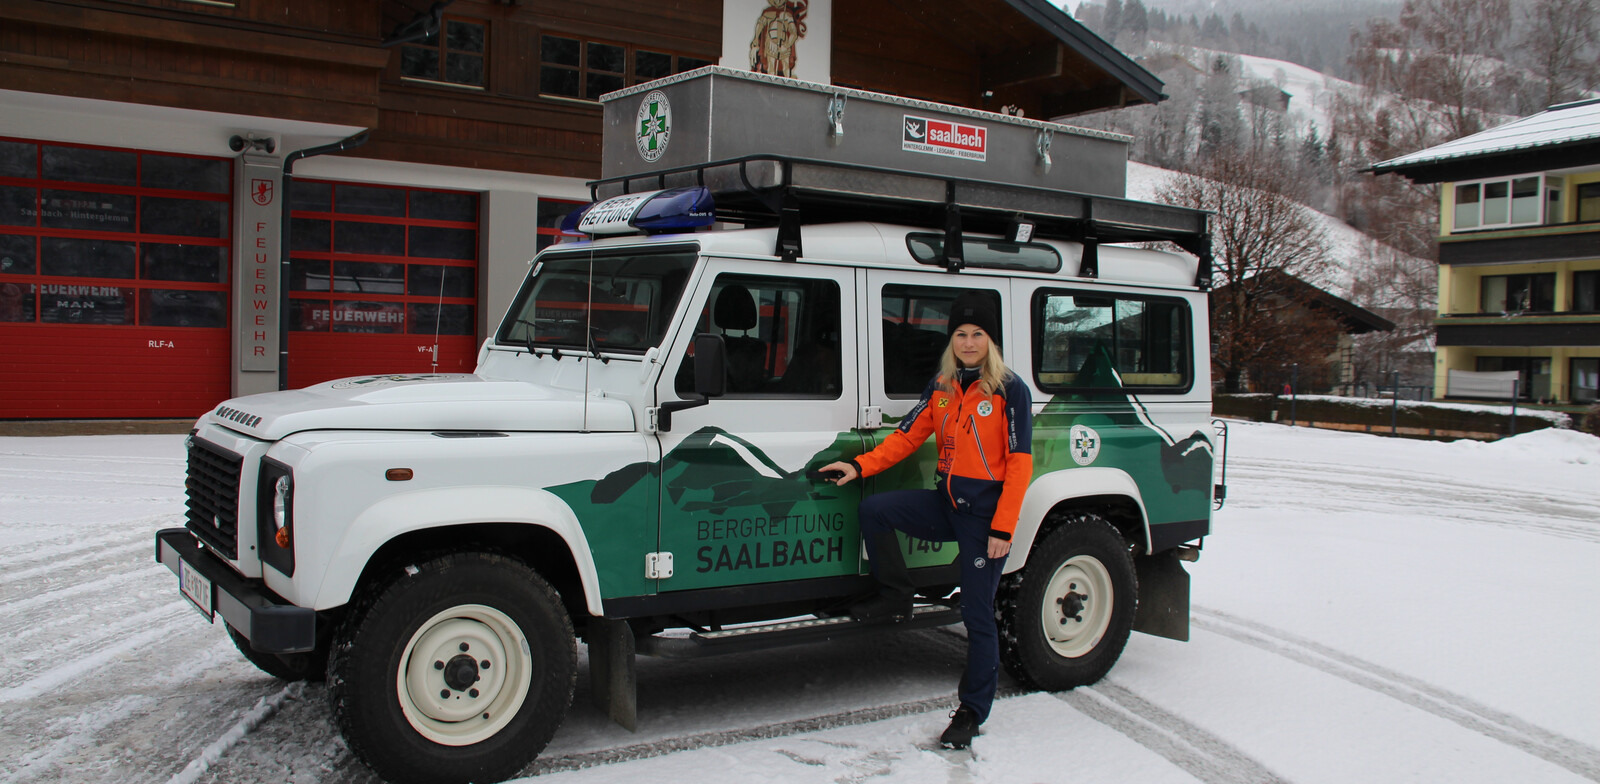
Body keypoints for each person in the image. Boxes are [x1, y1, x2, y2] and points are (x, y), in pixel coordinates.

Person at [818, 290, 1033, 750]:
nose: (969, 342)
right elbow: (907, 436)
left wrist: (1003, 527)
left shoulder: (1009, 390)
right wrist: (860, 467)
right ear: (950, 338)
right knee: (875, 510)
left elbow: (1019, 463)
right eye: (961, 334)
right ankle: (897, 595)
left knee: (978, 617)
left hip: (984, 519)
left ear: (991, 341)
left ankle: (972, 712)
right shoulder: (941, 386)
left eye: (978, 334)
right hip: (947, 505)